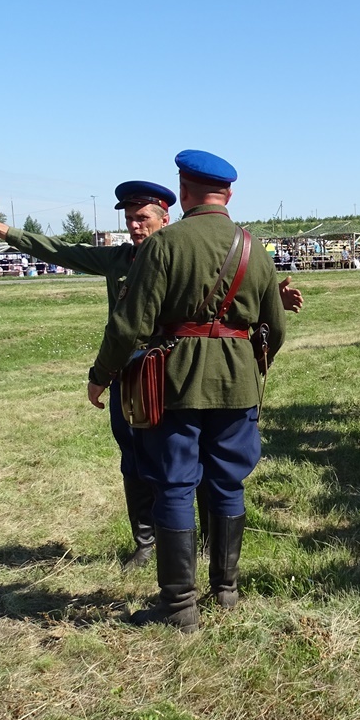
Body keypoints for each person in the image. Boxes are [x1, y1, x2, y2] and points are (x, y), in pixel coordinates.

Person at [0, 188, 303, 571]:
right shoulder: (123, 258)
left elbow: (222, 298)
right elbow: (63, 251)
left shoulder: (180, 249)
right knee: (136, 460)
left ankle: (206, 544)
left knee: (200, 462)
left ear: (164, 219)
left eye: (143, 219)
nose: (136, 227)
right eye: (130, 220)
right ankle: (146, 542)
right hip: (133, 375)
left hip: (175, 373)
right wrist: (3, 231)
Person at [87, 149, 287, 633]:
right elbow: (274, 329)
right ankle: (227, 590)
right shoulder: (253, 247)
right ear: (230, 193)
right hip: (238, 384)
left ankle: (180, 607)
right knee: (227, 483)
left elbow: (130, 323)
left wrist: (102, 374)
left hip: (174, 382)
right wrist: (243, 363)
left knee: (174, 485)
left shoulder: (165, 244)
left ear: (183, 189)